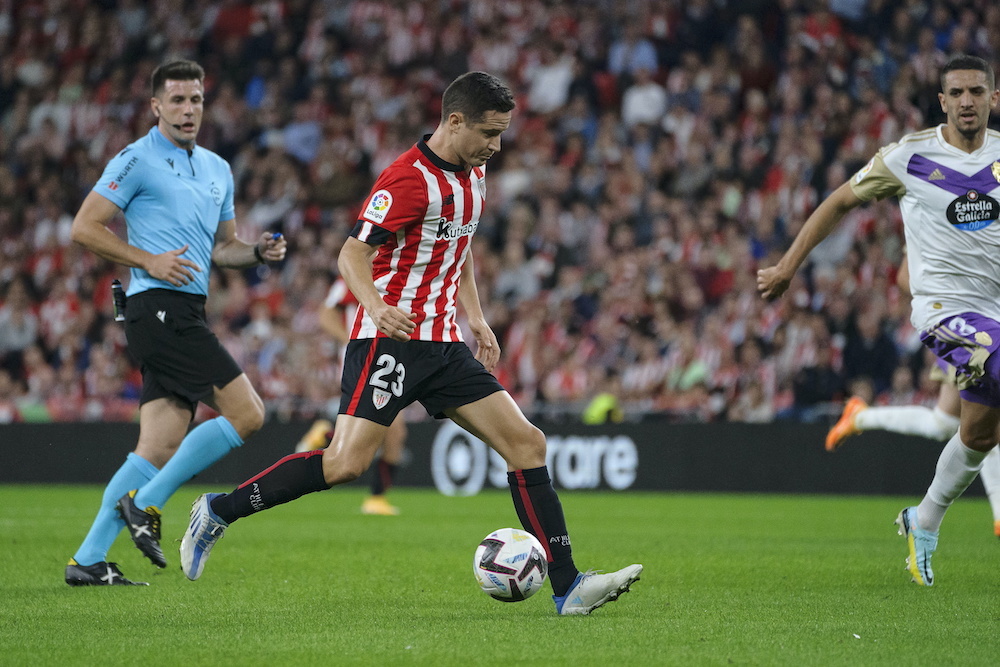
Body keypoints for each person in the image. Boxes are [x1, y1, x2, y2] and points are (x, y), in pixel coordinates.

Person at [179, 71, 642, 615]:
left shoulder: (475, 173)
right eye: (489, 133)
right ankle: (217, 511)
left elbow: (458, 244)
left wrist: (476, 316)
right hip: (388, 342)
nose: (496, 146)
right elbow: (351, 255)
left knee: (527, 444)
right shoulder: (406, 180)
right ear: (454, 120)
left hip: (445, 346)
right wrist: (375, 306)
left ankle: (568, 589)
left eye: (502, 134)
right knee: (345, 464)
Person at [758, 54, 1000, 586]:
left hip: (996, 312)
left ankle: (924, 520)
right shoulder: (909, 156)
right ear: (942, 101)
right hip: (945, 310)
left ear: (993, 99)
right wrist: (787, 266)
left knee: (979, 434)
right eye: (956, 93)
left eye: (976, 93)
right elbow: (839, 202)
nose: (966, 101)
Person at [65, 60, 286, 586]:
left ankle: (89, 560)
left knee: (157, 446)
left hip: (183, 309)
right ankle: (150, 504)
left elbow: (223, 250)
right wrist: (147, 259)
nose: (189, 110)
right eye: (179, 100)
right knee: (248, 414)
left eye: (197, 100)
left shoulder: (216, 168)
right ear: (156, 107)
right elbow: (83, 227)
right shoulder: (137, 159)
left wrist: (255, 251)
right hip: (154, 307)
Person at [827, 255, 1000, 537]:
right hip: (970, 330)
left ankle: (861, 416)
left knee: (945, 423)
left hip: (989, 329)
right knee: (985, 418)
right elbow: (906, 279)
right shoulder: (936, 219)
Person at [296, 275, 409, 516]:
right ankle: (376, 497)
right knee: (392, 428)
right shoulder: (357, 273)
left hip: (389, 360)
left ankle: (327, 435)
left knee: (388, 432)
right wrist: (350, 340)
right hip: (365, 360)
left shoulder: (401, 274)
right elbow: (325, 314)